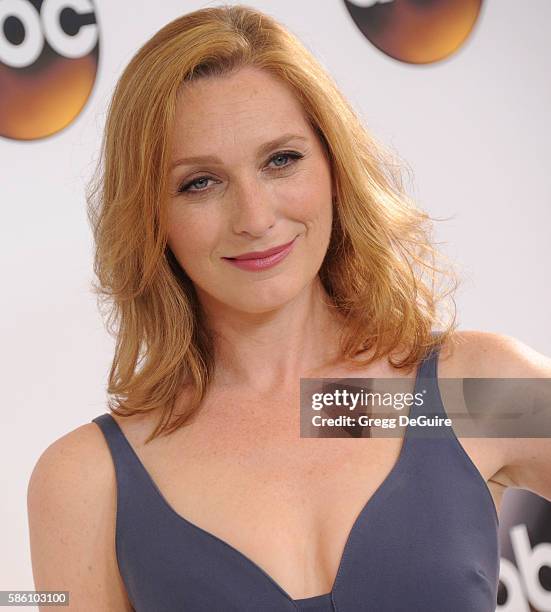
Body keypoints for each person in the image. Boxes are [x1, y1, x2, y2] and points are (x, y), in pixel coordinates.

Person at [27, 4, 551, 611]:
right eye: (200, 182)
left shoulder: (470, 395)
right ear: (151, 216)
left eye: (281, 160)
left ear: (334, 166)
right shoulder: (91, 482)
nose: (254, 217)